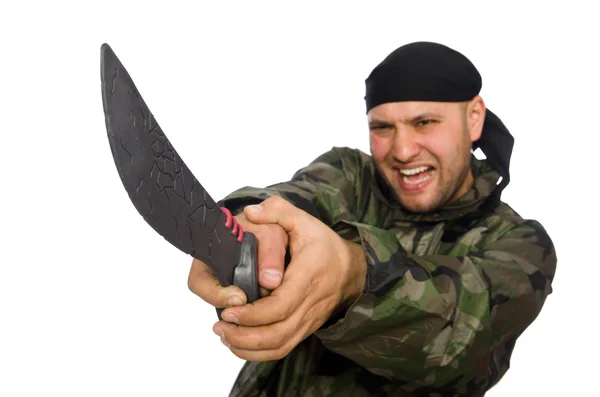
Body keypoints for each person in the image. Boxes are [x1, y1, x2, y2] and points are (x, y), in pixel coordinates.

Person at [187, 41, 557, 397]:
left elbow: (458, 340)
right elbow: (297, 196)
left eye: (425, 122)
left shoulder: (520, 247)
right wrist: (250, 225)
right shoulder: (351, 175)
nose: (404, 150)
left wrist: (353, 275)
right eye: (382, 127)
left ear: (474, 118)